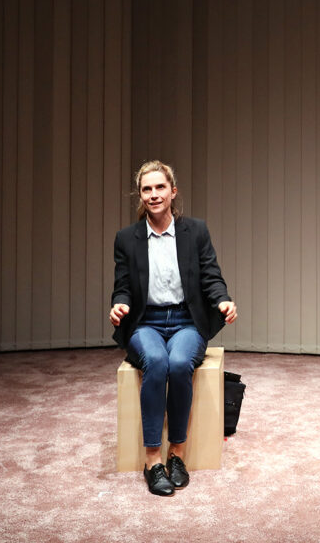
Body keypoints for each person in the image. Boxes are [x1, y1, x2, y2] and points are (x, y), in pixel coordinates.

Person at [110, 160, 237, 496]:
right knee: (157, 361)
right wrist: (119, 303)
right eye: (147, 189)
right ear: (140, 195)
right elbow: (122, 286)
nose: (154, 195)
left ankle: (176, 454)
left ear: (173, 191)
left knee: (180, 364)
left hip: (185, 321)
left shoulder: (195, 231)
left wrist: (222, 300)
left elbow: (211, 276)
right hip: (145, 322)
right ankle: (153, 459)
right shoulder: (127, 239)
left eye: (160, 187)